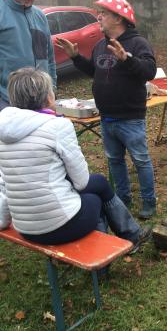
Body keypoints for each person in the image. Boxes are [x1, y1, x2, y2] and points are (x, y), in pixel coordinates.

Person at [0, 67, 151, 252]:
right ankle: (110, 254)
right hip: (59, 226)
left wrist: (3, 220)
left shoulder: (3, 131)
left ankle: (131, 237)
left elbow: (3, 186)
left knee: (100, 184)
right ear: (48, 97)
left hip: (26, 228)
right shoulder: (57, 126)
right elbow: (81, 182)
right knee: (95, 198)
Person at [56, 0, 157, 219]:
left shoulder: (138, 43)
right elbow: (95, 71)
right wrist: (75, 57)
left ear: (119, 18)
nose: (98, 16)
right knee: (115, 161)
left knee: (140, 160)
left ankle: (149, 201)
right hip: (107, 117)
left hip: (131, 117)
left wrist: (127, 59)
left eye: (103, 12)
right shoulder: (100, 45)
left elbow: (149, 71)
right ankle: (123, 198)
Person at [0, 0, 56, 111]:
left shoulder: (39, 16)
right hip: (7, 103)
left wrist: (52, 89)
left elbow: (49, 57)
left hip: (41, 101)